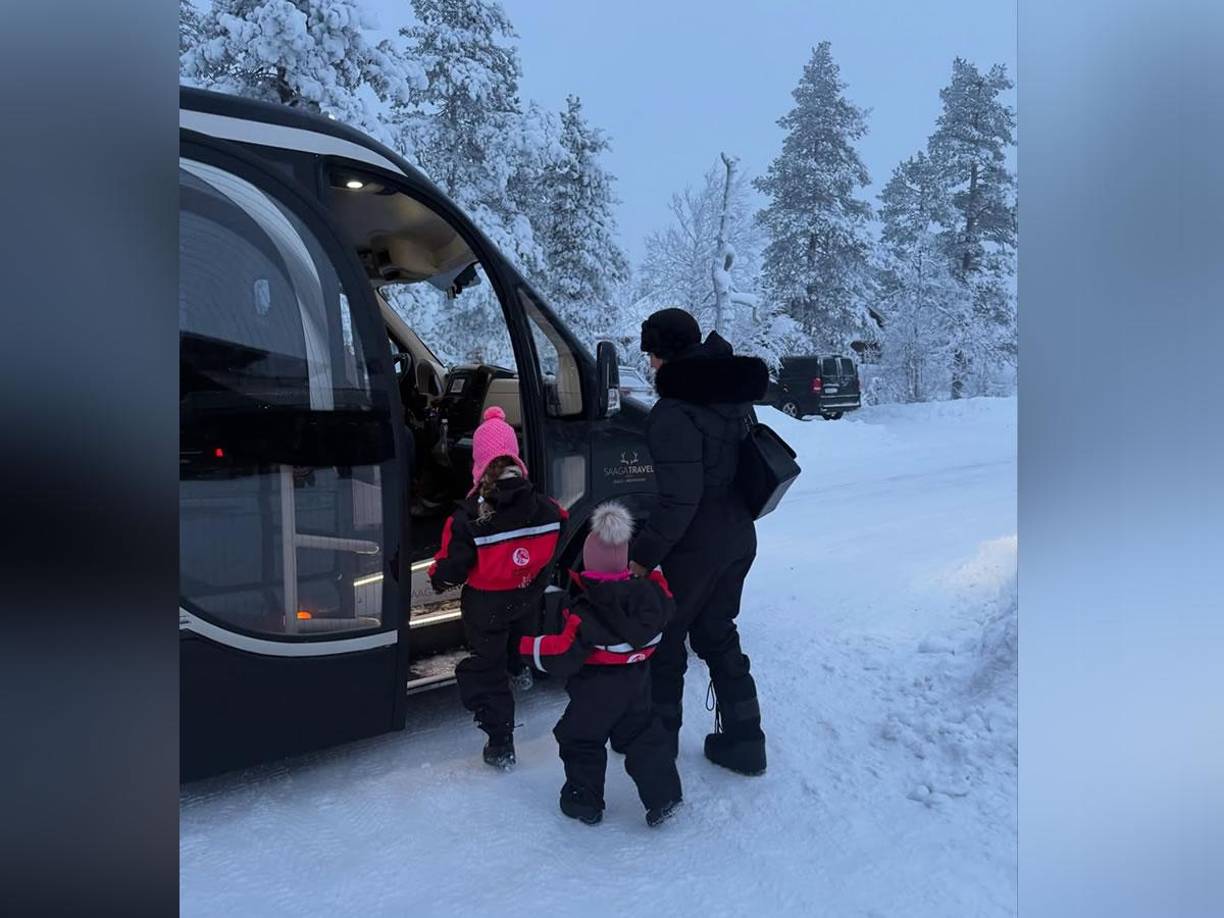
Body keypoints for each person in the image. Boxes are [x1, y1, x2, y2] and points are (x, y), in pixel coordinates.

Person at [629, 308, 771, 776]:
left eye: (652, 353)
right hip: (738, 534)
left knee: (666, 644)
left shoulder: (674, 414)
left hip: (695, 546)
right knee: (717, 632)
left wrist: (643, 556)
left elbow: (679, 501)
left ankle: (656, 753)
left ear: (666, 353)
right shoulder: (732, 395)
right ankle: (746, 743)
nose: (650, 363)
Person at [519, 501, 683, 827]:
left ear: (589, 566)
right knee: (643, 736)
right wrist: (650, 576)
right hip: (637, 683)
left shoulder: (587, 611)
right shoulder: (651, 600)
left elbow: (563, 654)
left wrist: (526, 648)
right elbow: (665, 596)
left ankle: (584, 801)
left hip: (596, 692)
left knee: (579, 738)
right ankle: (663, 796)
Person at [429, 406, 566, 769]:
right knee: (519, 633)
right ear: (516, 459)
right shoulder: (548, 508)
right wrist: (534, 575)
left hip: (485, 605)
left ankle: (501, 742)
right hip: (526, 594)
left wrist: (437, 577)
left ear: (479, 464)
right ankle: (520, 667)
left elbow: (451, 568)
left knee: (487, 670)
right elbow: (558, 539)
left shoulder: (468, 518)